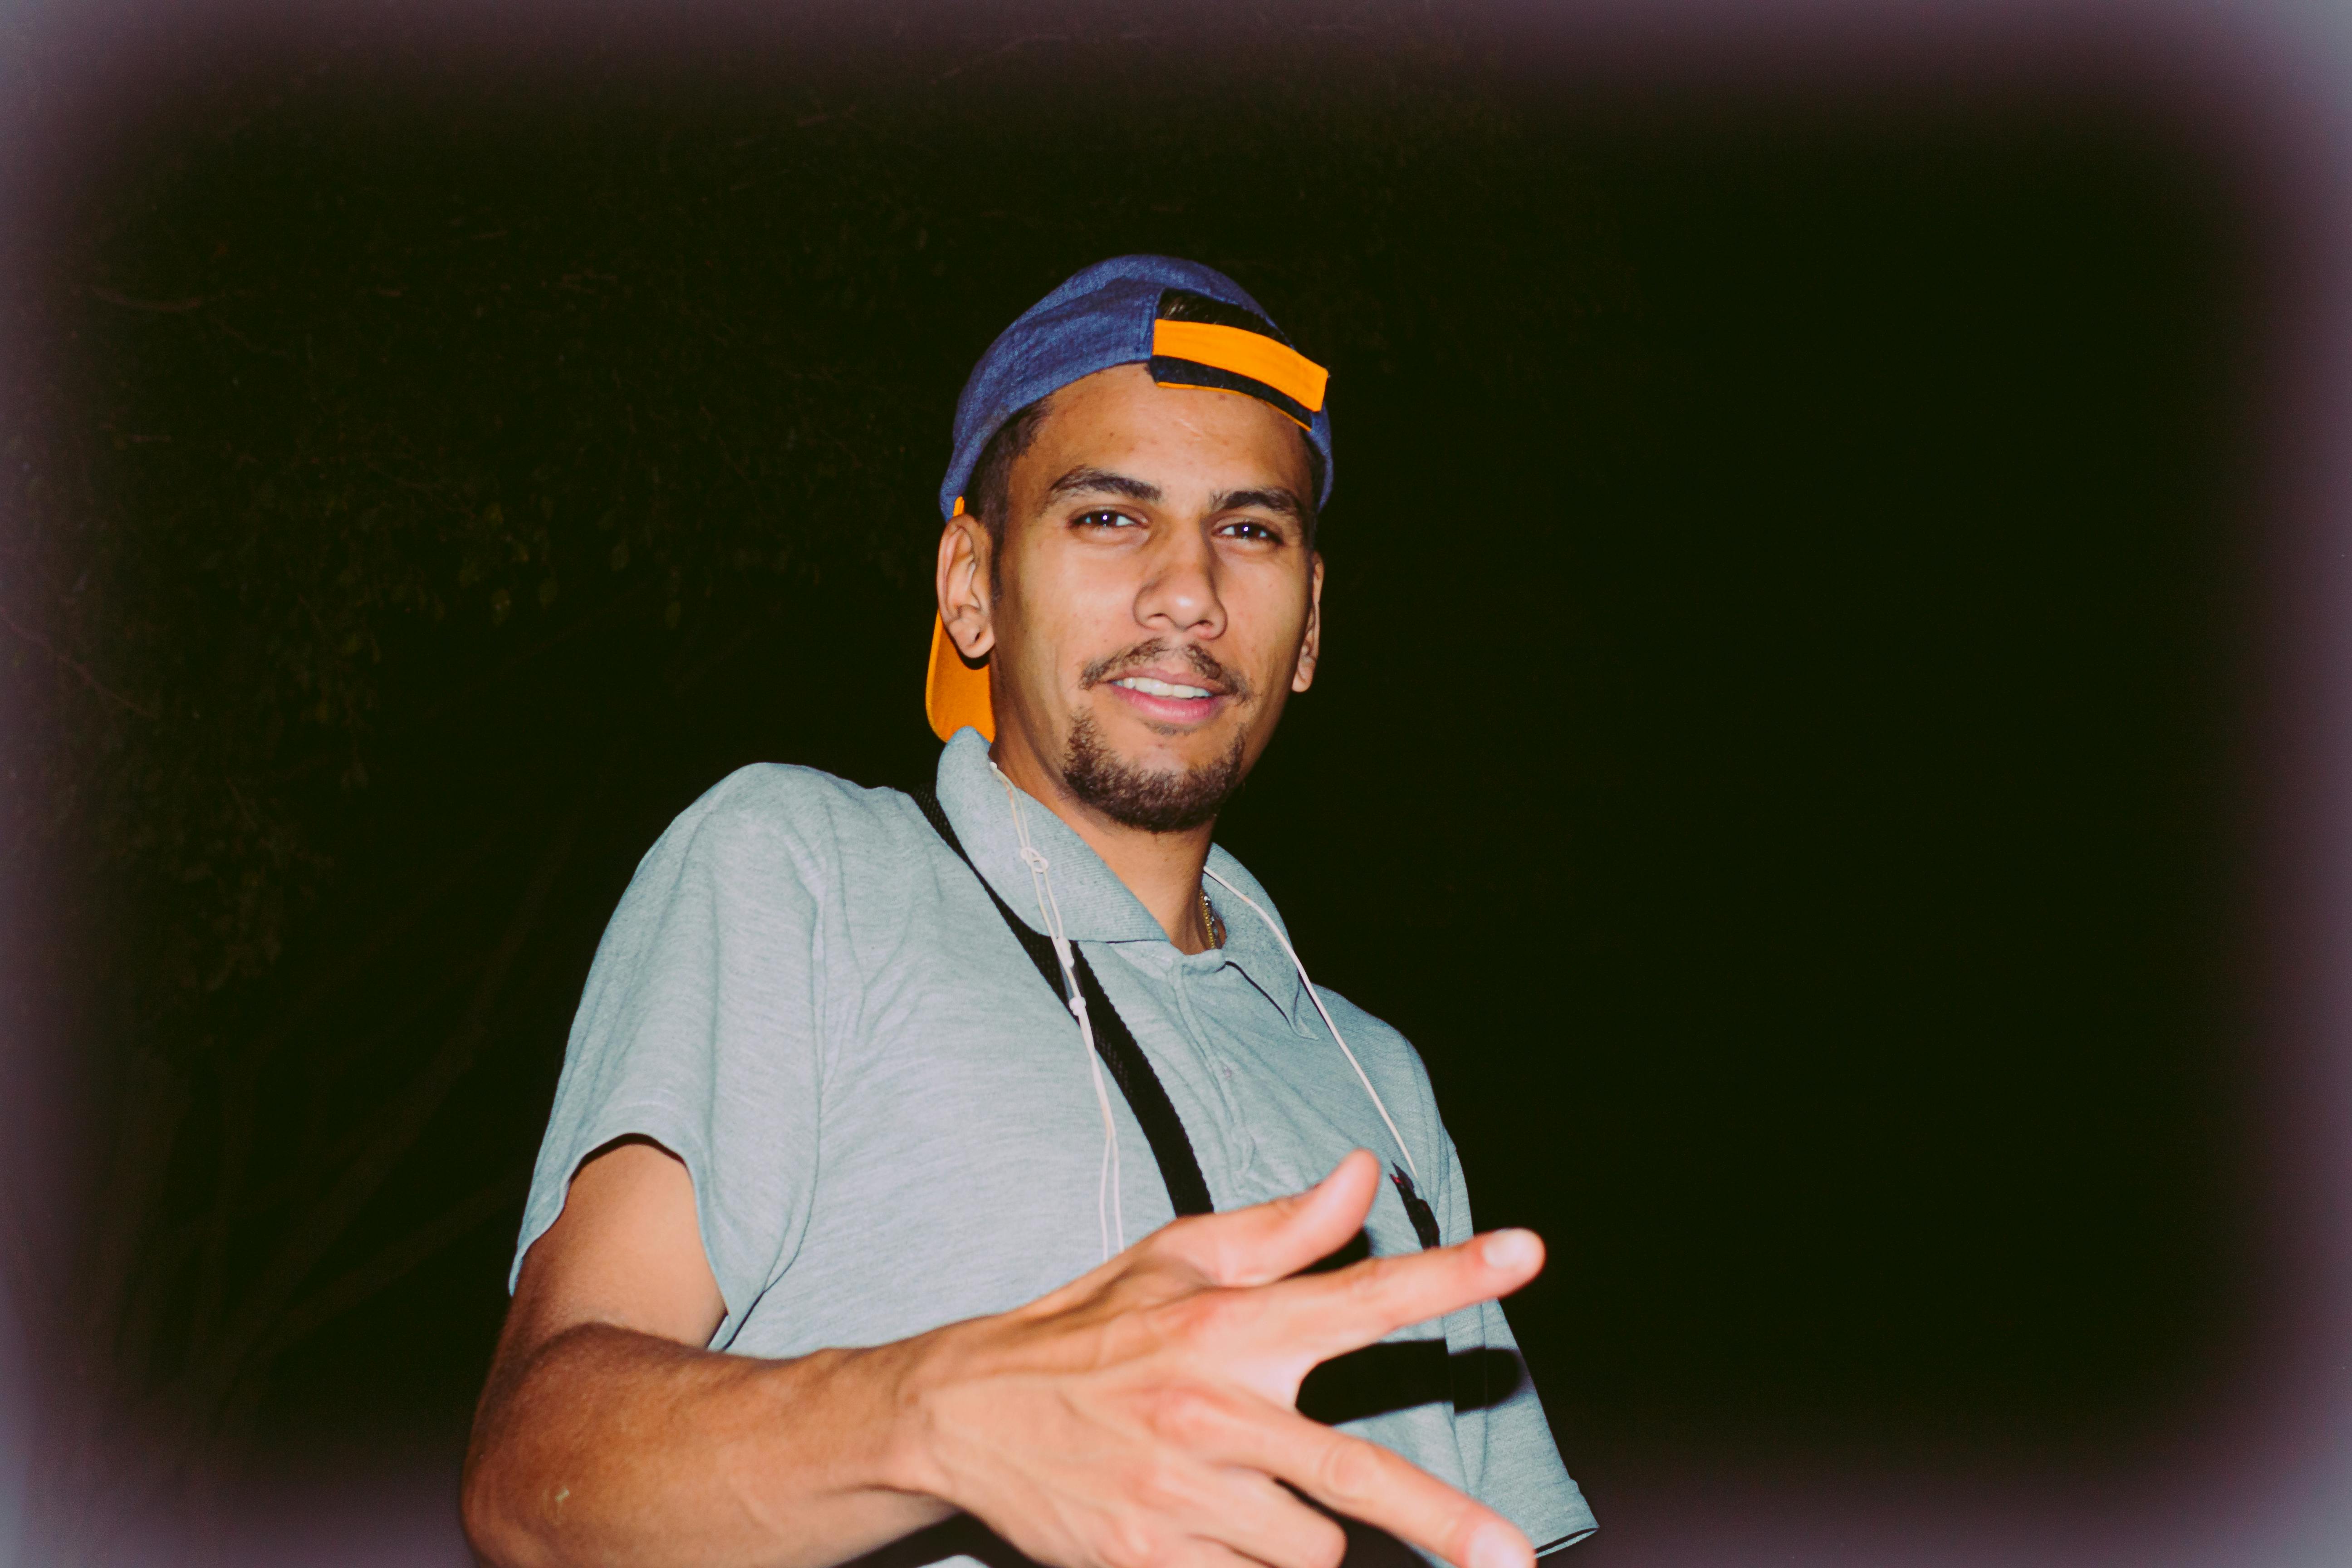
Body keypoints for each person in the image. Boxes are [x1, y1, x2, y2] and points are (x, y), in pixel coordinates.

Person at [461, 255, 1595, 1568]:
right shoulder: (802, 869)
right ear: (968, 583)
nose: (1190, 592)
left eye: (1252, 528)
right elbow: (531, 1463)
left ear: (1312, 624)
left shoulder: (1374, 1072)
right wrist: (947, 1415)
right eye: (1109, 517)